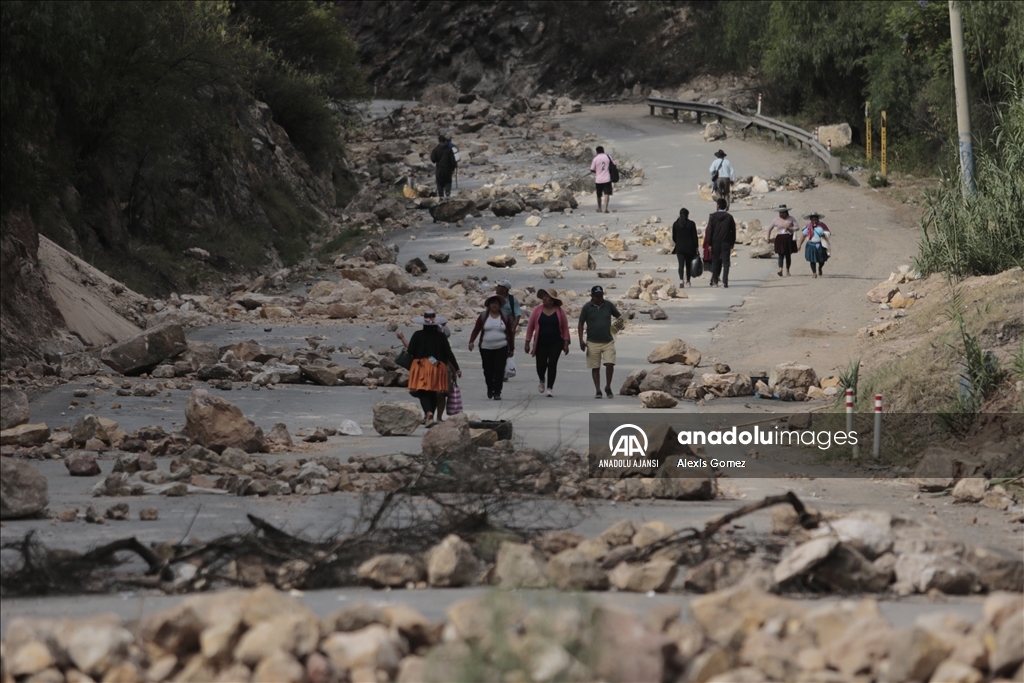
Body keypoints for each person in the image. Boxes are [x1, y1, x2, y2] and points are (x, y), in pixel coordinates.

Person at [400, 311, 461, 427]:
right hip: (438, 366)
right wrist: (456, 369)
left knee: (422, 391)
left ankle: (428, 412)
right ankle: (431, 415)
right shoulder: (441, 336)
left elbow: (411, 351)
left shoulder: (417, 335)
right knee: (434, 391)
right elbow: (449, 353)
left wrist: (403, 339)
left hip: (421, 365)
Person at [524, 288, 570, 396]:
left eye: (547, 296)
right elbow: (530, 327)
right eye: (544, 296)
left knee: (552, 364)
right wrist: (527, 341)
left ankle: (550, 388)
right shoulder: (537, 310)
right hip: (540, 342)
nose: (544, 298)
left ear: (553, 300)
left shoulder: (559, 311)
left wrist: (566, 343)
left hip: (556, 342)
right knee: (541, 365)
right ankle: (541, 379)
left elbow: (565, 328)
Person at [578, 285, 622, 399]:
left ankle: (608, 386)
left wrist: (628, 318)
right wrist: (581, 340)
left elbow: (619, 317)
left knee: (610, 364)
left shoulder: (608, 305)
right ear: (592, 296)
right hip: (592, 341)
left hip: (608, 340)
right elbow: (581, 323)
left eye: (601, 295)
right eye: (597, 296)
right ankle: (598, 390)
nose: (599, 298)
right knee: (595, 367)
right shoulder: (587, 307)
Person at [468, 294, 515, 400]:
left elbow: (510, 334)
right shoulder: (484, 316)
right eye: (492, 303)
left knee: (499, 369)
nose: (494, 306)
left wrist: (512, 348)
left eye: (496, 304)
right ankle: (490, 388)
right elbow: (476, 330)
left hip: (501, 347)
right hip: (485, 348)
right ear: (489, 305)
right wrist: (471, 341)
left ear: (500, 305)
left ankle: (497, 391)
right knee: (488, 370)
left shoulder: (505, 317)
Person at [705, 198, 737, 288]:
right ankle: (725, 282)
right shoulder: (729, 217)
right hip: (726, 242)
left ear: (718, 206)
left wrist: (709, 243)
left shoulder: (712, 217)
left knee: (715, 262)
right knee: (726, 262)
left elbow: (710, 231)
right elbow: (733, 231)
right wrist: (732, 243)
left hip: (715, 242)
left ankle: (715, 282)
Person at [767, 204, 799, 277]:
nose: (782, 214)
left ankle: (787, 270)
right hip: (780, 239)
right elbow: (769, 228)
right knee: (780, 254)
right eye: (780, 213)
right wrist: (768, 238)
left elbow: (797, 227)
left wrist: (790, 229)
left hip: (789, 238)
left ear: (786, 212)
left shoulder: (791, 218)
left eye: (783, 212)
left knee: (788, 255)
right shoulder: (776, 219)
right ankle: (780, 269)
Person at [797, 211, 831, 278]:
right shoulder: (808, 227)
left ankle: (820, 267)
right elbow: (803, 236)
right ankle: (814, 273)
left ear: (818, 219)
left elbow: (828, 234)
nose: (814, 221)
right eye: (813, 219)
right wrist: (799, 244)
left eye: (816, 219)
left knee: (822, 260)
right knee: (812, 260)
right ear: (811, 220)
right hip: (811, 245)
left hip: (820, 245)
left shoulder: (822, 226)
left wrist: (824, 235)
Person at [671, 207, 699, 287]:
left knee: (681, 264)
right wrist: (696, 247)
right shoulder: (691, 224)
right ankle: (688, 281)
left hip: (680, 247)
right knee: (688, 265)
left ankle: (681, 280)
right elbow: (695, 237)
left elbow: (674, 237)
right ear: (687, 215)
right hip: (690, 248)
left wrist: (679, 242)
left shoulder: (675, 224)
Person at [430, 133, 457, 199]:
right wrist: (454, 167)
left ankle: (441, 196)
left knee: (439, 183)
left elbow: (433, 160)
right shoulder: (449, 149)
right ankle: (447, 192)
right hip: (448, 168)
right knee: (448, 181)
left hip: (439, 168)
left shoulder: (436, 149)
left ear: (439, 141)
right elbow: (452, 160)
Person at [590, 145, 614, 213]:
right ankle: (605, 208)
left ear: (597, 151)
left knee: (599, 195)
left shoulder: (595, 159)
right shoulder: (608, 157)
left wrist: (596, 171)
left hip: (598, 179)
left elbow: (592, 169)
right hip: (607, 178)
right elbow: (614, 165)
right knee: (607, 193)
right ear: (603, 150)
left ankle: (599, 208)